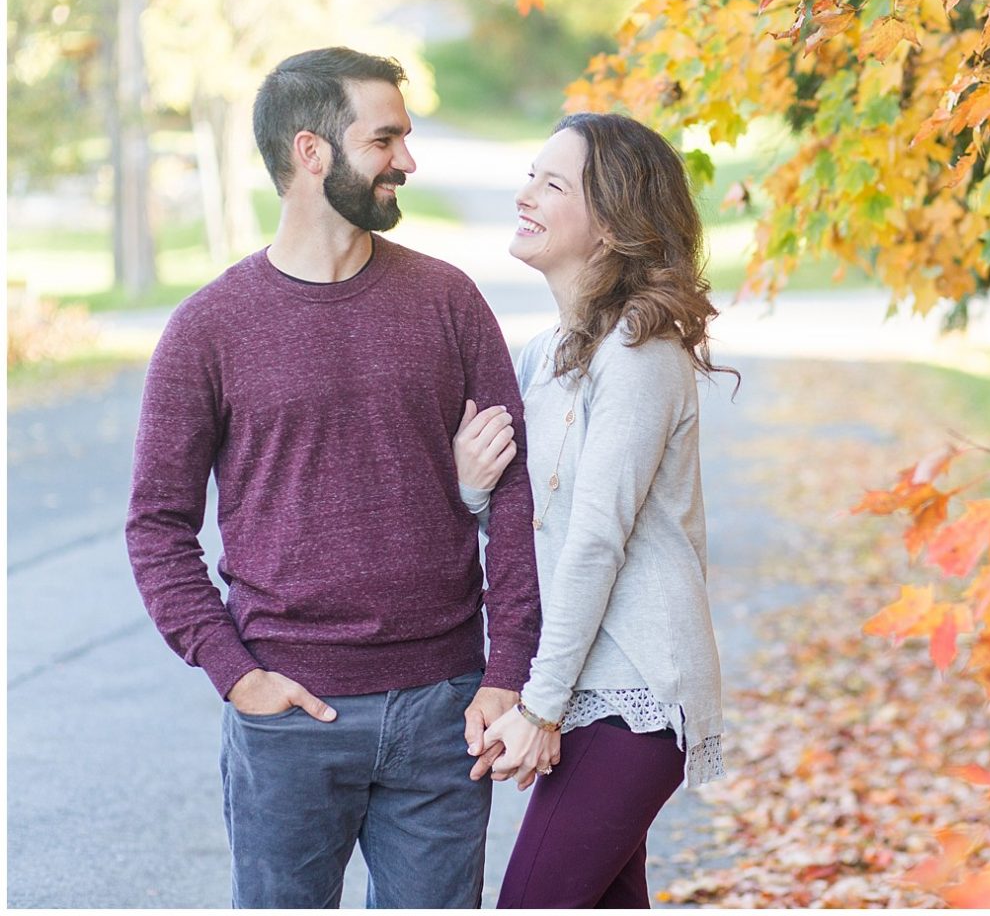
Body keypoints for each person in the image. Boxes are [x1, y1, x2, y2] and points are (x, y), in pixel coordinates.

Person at [125, 46, 541, 908]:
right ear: (311, 152)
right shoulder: (208, 329)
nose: (408, 161)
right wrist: (236, 674)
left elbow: (513, 496)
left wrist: (508, 671)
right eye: (385, 139)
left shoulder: (448, 302)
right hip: (289, 717)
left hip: (445, 712)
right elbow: (158, 526)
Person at [454, 112, 732, 908]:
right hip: (584, 685)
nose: (525, 195)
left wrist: (538, 705)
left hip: (636, 690)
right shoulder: (546, 355)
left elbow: (593, 541)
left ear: (611, 224)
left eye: (553, 183)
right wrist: (475, 489)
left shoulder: (641, 352)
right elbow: (530, 520)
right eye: (528, 175)